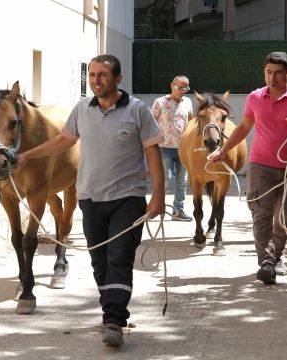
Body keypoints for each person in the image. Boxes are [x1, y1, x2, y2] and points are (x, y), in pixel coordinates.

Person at [14, 54, 165, 347]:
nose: (96, 80)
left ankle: (114, 320)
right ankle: (110, 308)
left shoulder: (138, 111)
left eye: (103, 75)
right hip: (90, 198)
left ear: (118, 79)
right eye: (93, 75)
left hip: (128, 198)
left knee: (118, 258)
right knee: (99, 262)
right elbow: (64, 141)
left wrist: (158, 195)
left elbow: (152, 154)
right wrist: (27, 156)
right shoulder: (82, 109)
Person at [209, 52, 287, 284]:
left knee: (283, 217)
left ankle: (276, 256)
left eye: (278, 73)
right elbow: (243, 128)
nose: (273, 78)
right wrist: (222, 150)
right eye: (269, 72)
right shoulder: (255, 97)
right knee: (261, 215)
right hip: (260, 165)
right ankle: (267, 262)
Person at [151, 75, 194, 221]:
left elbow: (190, 123)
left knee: (182, 182)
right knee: (167, 180)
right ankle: (156, 205)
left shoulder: (187, 102)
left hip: (183, 149)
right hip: (164, 148)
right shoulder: (160, 102)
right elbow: (151, 123)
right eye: (180, 87)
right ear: (172, 85)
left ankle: (178, 211)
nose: (183, 91)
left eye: (186, 88)